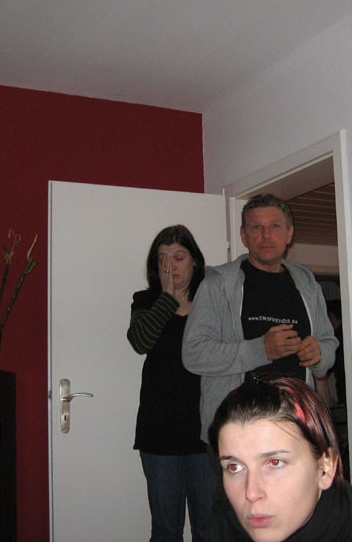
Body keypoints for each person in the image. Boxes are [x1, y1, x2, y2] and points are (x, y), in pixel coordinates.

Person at [182, 193, 339, 443]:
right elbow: (193, 353)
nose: (266, 235)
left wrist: (318, 353)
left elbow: (328, 344)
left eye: (275, 226)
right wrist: (261, 350)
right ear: (244, 236)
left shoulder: (307, 283)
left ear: (289, 233)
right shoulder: (218, 285)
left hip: (296, 425)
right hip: (236, 428)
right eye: (256, 227)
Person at [207, 375, 352, 541]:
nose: (251, 493)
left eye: (275, 463)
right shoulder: (221, 529)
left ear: (326, 467)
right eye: (234, 467)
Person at [127, 225, 215, 542]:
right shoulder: (146, 300)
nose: (170, 266)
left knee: (209, 529)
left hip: (206, 433)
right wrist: (166, 298)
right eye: (162, 259)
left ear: (195, 261)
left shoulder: (211, 301)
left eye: (178, 257)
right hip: (159, 432)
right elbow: (140, 341)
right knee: (166, 530)